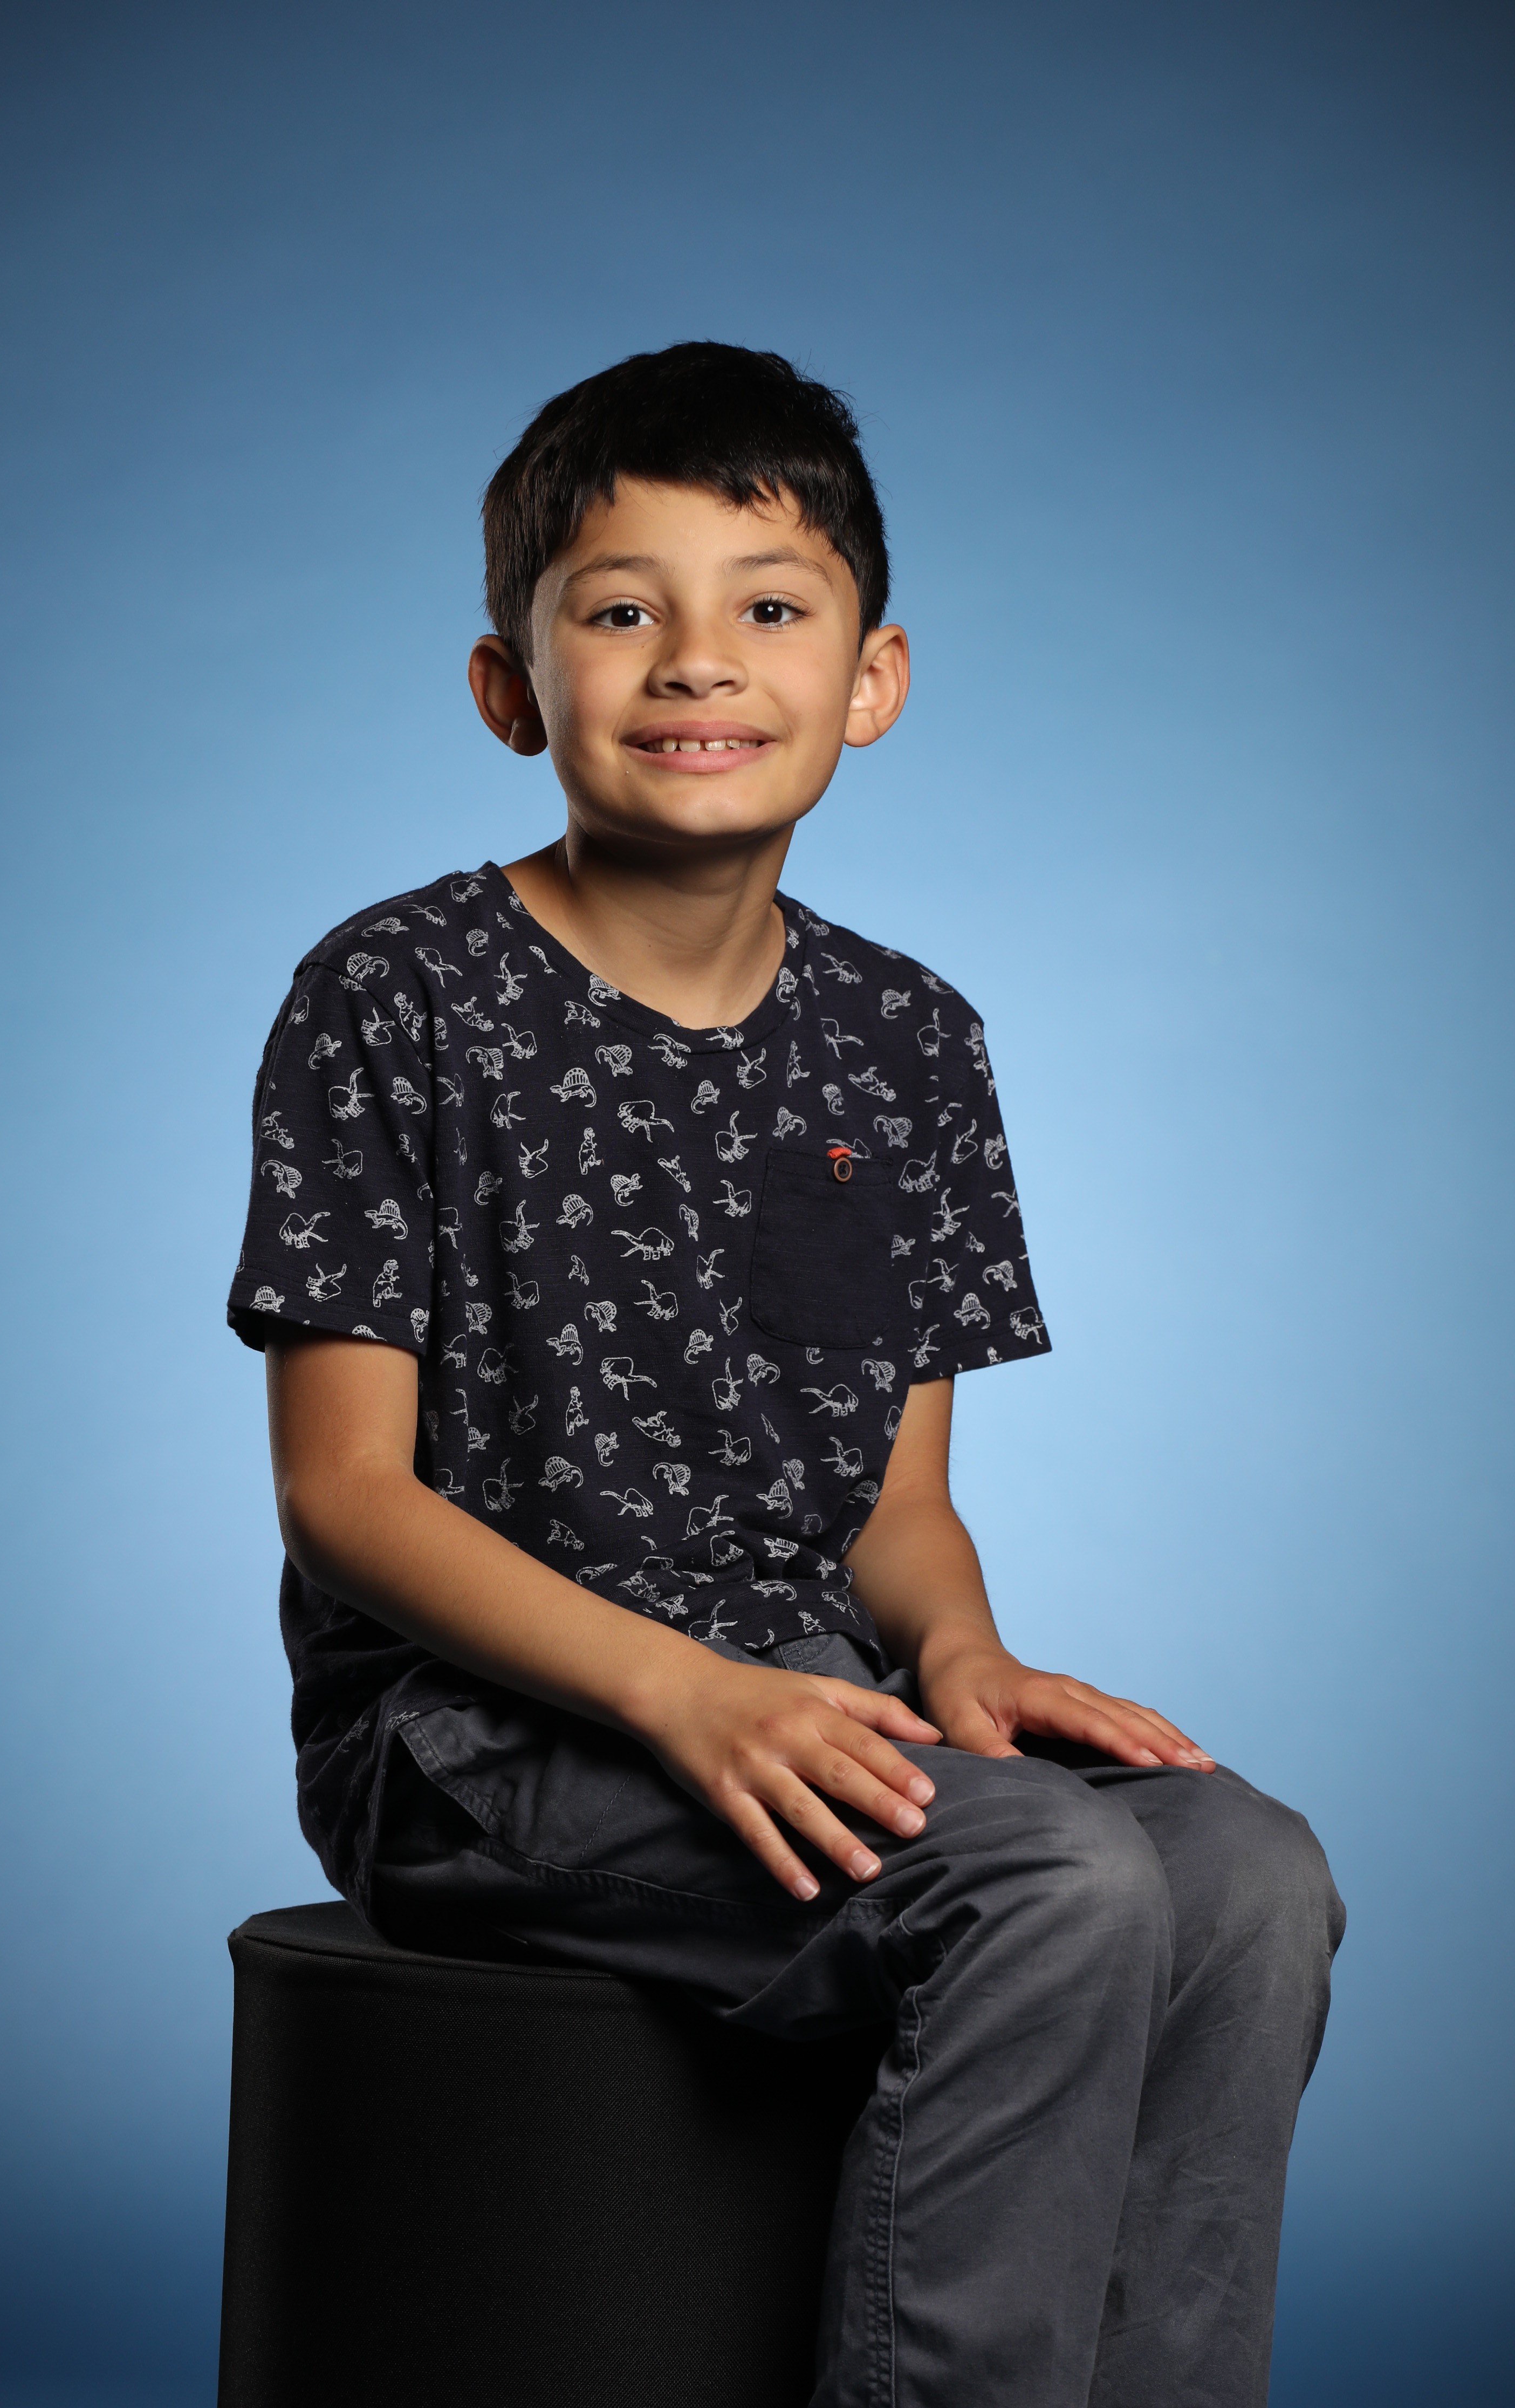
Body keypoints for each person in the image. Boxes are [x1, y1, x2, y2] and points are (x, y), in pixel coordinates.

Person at [227, 341, 1343, 2408]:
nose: (697, 662)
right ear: (510, 686)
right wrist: (682, 1689)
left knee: (1251, 1876)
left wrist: (964, 1658)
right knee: (1049, 1884)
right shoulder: (395, 993)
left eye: (767, 605)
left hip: (813, 1697)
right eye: (619, 611)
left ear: (871, 677)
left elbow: (898, 1506)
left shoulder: (909, 1041)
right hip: (481, 1740)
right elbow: (345, 1498)